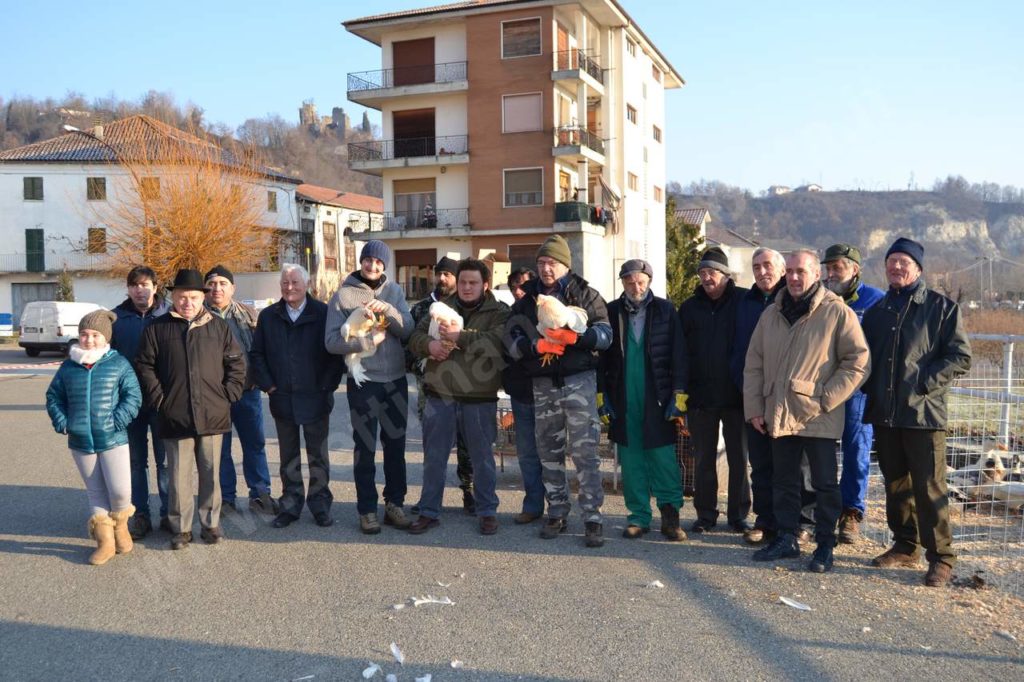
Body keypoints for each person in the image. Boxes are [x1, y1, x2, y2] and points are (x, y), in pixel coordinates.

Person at [744, 249, 870, 572]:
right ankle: (787, 538)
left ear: (817, 274)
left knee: (825, 484)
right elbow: (754, 364)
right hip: (780, 412)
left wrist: (827, 399)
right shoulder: (771, 313)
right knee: (783, 480)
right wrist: (756, 407)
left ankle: (825, 544)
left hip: (818, 415)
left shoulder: (836, 312)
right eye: (791, 272)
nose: (795, 277)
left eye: (802, 271)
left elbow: (858, 363)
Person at [861, 237, 971, 587]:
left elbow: (960, 356)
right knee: (895, 485)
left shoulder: (941, 308)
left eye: (903, 262)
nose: (896, 267)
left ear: (918, 268)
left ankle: (941, 557)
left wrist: (923, 382)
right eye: (891, 261)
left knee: (930, 487)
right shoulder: (877, 312)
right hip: (885, 412)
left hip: (923, 414)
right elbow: (865, 359)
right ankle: (904, 544)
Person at [504, 235, 612, 547]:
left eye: (551, 263)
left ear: (565, 265)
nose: (546, 268)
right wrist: (533, 345)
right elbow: (509, 340)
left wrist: (577, 339)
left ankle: (592, 517)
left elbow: (606, 335)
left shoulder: (586, 295)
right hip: (542, 385)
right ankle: (557, 511)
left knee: (585, 453)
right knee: (548, 452)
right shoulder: (527, 301)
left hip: (579, 382)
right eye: (541, 263)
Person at [134, 268, 247, 550]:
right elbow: (144, 366)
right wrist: (160, 400)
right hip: (174, 415)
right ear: (174, 297)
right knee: (179, 477)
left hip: (212, 413)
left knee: (211, 472)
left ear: (202, 297)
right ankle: (181, 528)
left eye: (194, 297)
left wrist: (228, 395)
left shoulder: (218, 327)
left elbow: (236, 363)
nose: (188, 303)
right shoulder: (157, 328)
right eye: (182, 297)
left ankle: (210, 523)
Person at [406, 258, 509, 534]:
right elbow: (414, 337)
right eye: (462, 281)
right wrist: (430, 345)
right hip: (439, 396)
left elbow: (497, 343)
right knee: (434, 458)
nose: (466, 287)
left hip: (479, 398)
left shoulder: (499, 311)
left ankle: (487, 511)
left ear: (485, 285)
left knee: (482, 460)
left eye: (473, 282)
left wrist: (458, 336)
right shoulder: (441, 307)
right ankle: (429, 511)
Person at [325, 240, 415, 534]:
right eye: (368, 260)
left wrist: (388, 309)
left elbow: (408, 330)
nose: (373, 266)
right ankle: (366, 509)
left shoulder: (395, 291)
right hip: (363, 382)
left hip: (396, 380)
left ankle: (395, 504)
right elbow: (331, 342)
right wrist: (366, 342)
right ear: (361, 261)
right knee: (365, 447)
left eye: (379, 262)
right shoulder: (344, 295)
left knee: (395, 446)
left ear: (384, 265)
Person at [598, 259, 689, 541]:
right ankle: (638, 517)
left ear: (648, 281)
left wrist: (680, 396)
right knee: (631, 458)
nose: (635, 287)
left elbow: (679, 354)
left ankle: (670, 516)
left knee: (662, 458)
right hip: (624, 396)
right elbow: (601, 358)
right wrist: (601, 396)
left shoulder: (665, 310)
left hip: (657, 396)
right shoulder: (611, 312)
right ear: (622, 283)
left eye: (640, 282)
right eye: (629, 282)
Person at [250, 264, 344, 529]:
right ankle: (290, 506)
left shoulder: (323, 313)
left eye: (294, 283)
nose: (289, 288)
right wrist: (268, 386)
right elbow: (257, 354)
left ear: (307, 284)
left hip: (316, 396)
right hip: (283, 398)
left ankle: (320, 505)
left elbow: (335, 354)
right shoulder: (269, 316)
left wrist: (327, 386)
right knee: (288, 457)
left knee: (318, 456)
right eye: (284, 283)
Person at [46, 310, 142, 565]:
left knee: (120, 491)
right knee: (96, 492)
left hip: (113, 439)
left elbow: (133, 396)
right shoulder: (68, 367)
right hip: (80, 441)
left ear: (105, 337)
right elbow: (53, 397)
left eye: (95, 335)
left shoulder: (118, 363)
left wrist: (117, 421)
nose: (89, 339)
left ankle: (121, 528)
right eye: (84, 334)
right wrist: (64, 423)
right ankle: (105, 542)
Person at [730, 247, 811, 546]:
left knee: (796, 467)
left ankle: (800, 522)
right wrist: (746, 393)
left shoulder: (792, 301)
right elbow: (741, 352)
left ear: (782, 269)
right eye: (756, 267)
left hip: (791, 399)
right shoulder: (745, 302)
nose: (762, 272)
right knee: (761, 464)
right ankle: (766, 521)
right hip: (754, 395)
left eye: (767, 265)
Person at [678, 247, 751, 534]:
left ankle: (738, 516)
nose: (708, 278)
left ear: (725, 275)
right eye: (703, 272)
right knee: (703, 459)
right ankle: (705, 514)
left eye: (713, 272)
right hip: (701, 398)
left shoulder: (744, 301)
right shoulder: (689, 307)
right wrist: (681, 393)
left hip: (737, 396)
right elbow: (680, 353)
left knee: (738, 459)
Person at [820, 244, 885, 543]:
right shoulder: (819, 297)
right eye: (828, 268)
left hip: (857, 390)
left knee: (856, 449)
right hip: (820, 387)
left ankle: (851, 512)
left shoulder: (874, 301)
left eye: (838, 268)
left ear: (855, 269)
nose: (831, 273)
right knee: (815, 451)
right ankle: (817, 510)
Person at [203, 265, 277, 516]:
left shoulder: (249, 315)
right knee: (220, 449)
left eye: (223, 283)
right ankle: (226, 498)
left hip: (248, 392)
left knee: (254, 444)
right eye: (212, 284)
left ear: (232, 288)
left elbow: (262, 351)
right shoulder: (197, 316)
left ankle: (260, 493)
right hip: (214, 397)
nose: (217, 288)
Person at [409, 256, 475, 515]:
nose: (443, 278)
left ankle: (469, 492)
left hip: (464, 384)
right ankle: (429, 496)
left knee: (466, 441)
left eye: (448, 274)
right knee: (432, 444)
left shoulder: (466, 307)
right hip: (430, 386)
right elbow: (411, 344)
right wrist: (423, 359)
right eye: (440, 273)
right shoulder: (421, 308)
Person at [110, 265, 170, 539]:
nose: (139, 289)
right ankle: (140, 515)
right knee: (136, 462)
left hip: (162, 400)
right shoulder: (116, 319)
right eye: (134, 285)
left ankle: (170, 513)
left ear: (155, 287)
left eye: (145, 284)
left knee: (165, 461)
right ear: (128, 289)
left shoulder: (169, 315)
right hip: (129, 403)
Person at [503, 266, 543, 524]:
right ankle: (533, 505)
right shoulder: (510, 315)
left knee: (552, 453)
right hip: (520, 393)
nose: (518, 290)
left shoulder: (544, 309)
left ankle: (559, 508)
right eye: (513, 286)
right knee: (527, 453)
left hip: (548, 391)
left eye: (523, 284)